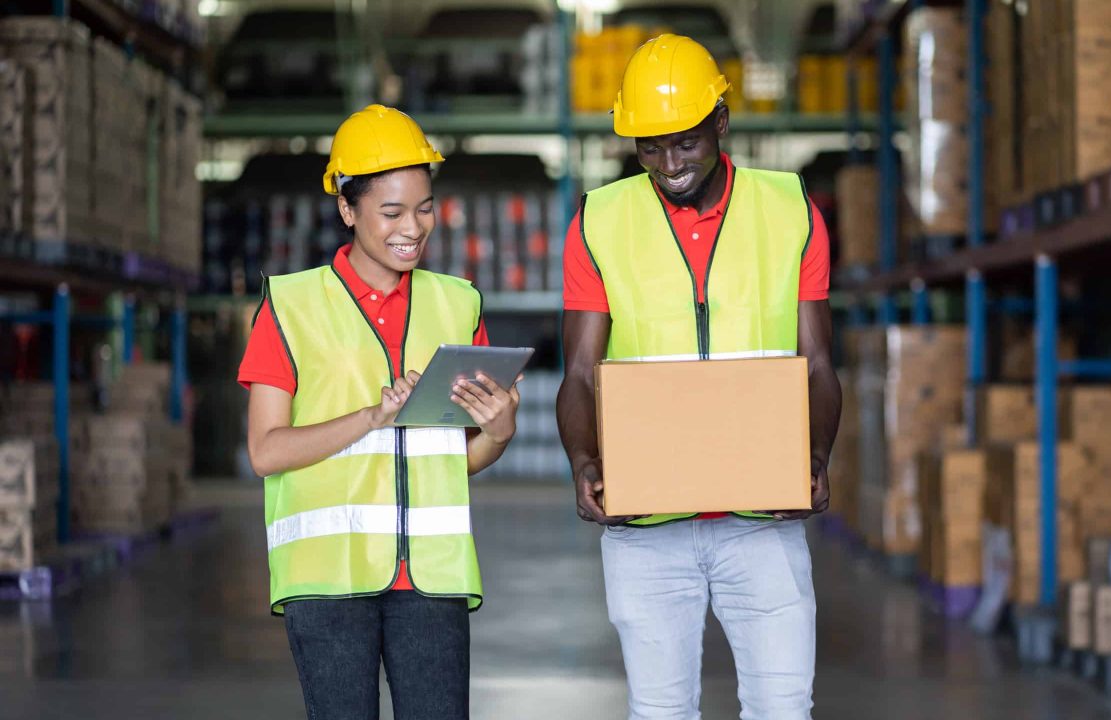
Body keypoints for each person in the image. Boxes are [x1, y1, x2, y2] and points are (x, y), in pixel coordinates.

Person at [556, 34, 841, 720]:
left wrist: (817, 457)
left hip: (761, 521)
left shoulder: (790, 209)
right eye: (648, 148)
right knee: (659, 712)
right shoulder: (601, 218)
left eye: (683, 143)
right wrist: (583, 461)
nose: (668, 164)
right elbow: (580, 370)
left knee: (782, 709)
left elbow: (821, 361)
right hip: (646, 523)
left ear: (720, 122)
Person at [238, 104, 521, 720]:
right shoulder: (290, 306)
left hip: (431, 582)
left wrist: (498, 434)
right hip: (327, 583)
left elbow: (452, 459)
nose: (413, 228)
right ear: (347, 209)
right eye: (391, 212)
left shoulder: (457, 303)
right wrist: (369, 418)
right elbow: (266, 450)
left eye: (424, 209)